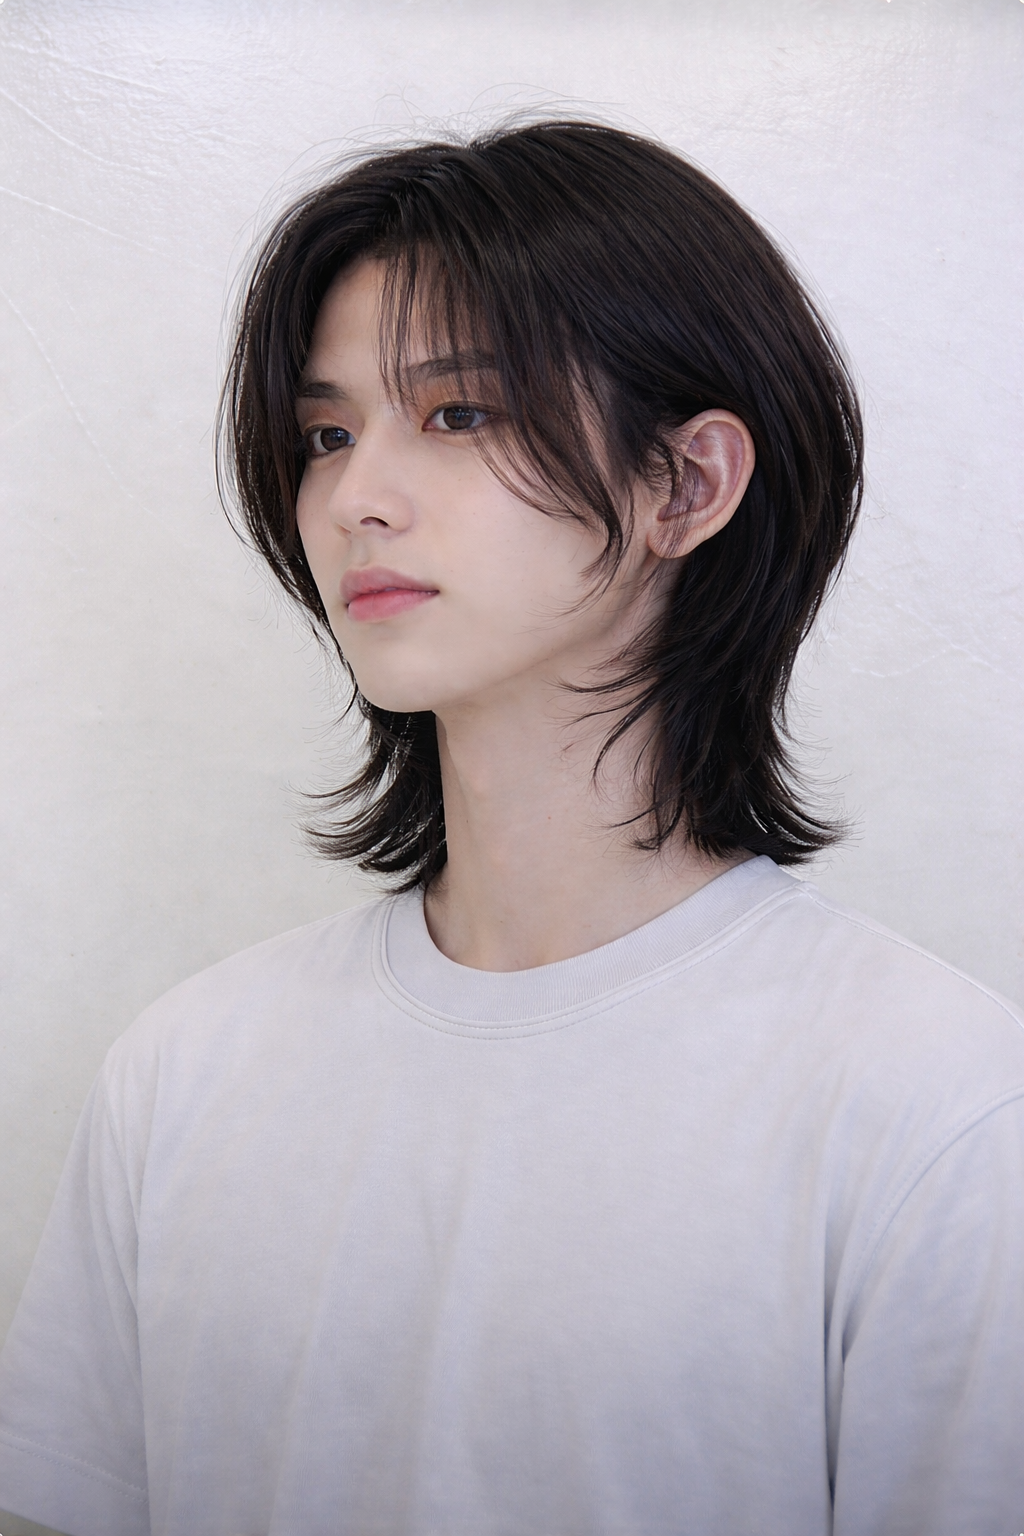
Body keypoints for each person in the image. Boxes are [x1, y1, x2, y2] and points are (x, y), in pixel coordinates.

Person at [1, 120, 1022, 1536]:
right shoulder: (181, 1074)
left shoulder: (941, 1110)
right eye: (326, 435)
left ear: (687, 485)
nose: (355, 499)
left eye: (459, 414)